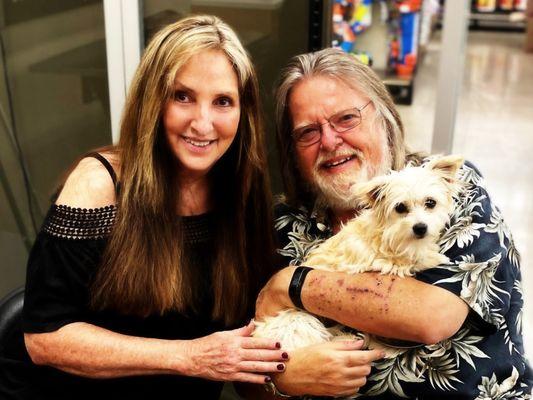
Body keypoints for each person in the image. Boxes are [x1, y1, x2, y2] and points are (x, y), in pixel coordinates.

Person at [0, 15, 291, 400]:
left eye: (223, 101)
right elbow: (45, 337)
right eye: (182, 96)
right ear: (152, 100)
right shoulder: (100, 183)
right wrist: (190, 357)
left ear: (243, 113)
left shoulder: (242, 189)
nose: (202, 124)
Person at [255, 48, 533, 399]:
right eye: (308, 132)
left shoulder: (450, 186)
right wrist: (281, 378)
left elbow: (432, 317)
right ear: (293, 151)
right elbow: (247, 370)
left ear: (384, 117)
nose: (329, 141)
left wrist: (290, 284)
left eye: (346, 119)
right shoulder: (284, 226)